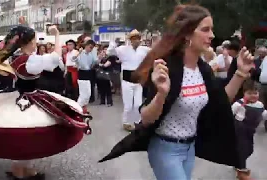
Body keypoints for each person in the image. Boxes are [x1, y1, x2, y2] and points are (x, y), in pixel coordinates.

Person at [99, 4, 255, 180]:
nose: (212, 35)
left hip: (190, 149)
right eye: (205, 29)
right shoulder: (167, 68)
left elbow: (220, 102)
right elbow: (146, 117)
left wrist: (240, 73)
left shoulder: (203, 69)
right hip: (165, 150)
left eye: (211, 30)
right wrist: (161, 94)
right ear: (187, 33)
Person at [0, 25, 91, 180]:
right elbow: (55, 58)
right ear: (29, 42)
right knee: (25, 134)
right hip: (29, 98)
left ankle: (24, 168)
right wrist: (57, 35)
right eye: (34, 39)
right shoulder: (31, 61)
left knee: (21, 132)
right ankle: (19, 170)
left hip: (21, 95)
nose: (36, 42)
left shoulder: (18, 58)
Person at [107, 29, 150, 131]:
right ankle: (126, 122)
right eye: (134, 39)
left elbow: (156, 51)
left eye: (138, 39)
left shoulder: (144, 50)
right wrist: (113, 42)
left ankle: (137, 122)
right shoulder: (123, 49)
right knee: (128, 105)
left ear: (140, 40)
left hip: (138, 81)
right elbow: (110, 52)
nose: (136, 41)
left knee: (138, 104)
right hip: (127, 81)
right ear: (131, 40)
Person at [232, 79, 267, 180]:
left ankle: (237, 163)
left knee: (249, 150)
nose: (253, 95)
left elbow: (263, 114)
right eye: (249, 93)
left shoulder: (260, 104)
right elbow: (229, 114)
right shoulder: (239, 104)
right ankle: (242, 171)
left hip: (250, 131)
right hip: (239, 131)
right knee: (243, 150)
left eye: (255, 93)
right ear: (244, 93)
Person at [73, 40, 97, 114]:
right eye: (90, 47)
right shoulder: (80, 53)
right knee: (83, 94)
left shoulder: (90, 54)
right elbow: (74, 59)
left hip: (88, 73)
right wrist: (78, 54)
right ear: (86, 45)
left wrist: (98, 57)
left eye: (92, 48)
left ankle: (83, 109)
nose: (91, 49)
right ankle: (76, 109)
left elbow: (93, 64)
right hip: (82, 73)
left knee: (88, 94)